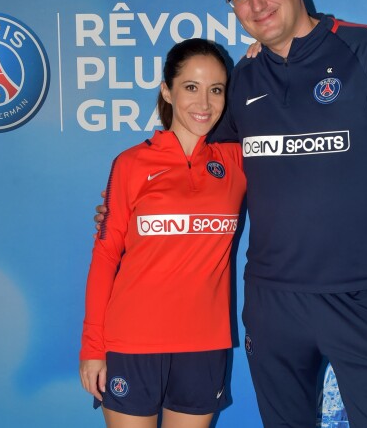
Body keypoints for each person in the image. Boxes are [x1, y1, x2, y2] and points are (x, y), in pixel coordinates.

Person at [96, 0, 367, 428]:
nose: (255, 2)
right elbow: (196, 163)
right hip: (273, 305)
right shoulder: (243, 82)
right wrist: (124, 204)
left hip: (366, 296)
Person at [80, 38, 246, 428]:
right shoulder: (131, 164)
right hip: (131, 343)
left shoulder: (238, 161)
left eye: (216, 89)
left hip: (204, 346)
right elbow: (105, 256)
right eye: (191, 87)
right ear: (167, 90)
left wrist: (264, 60)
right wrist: (92, 347)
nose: (204, 103)